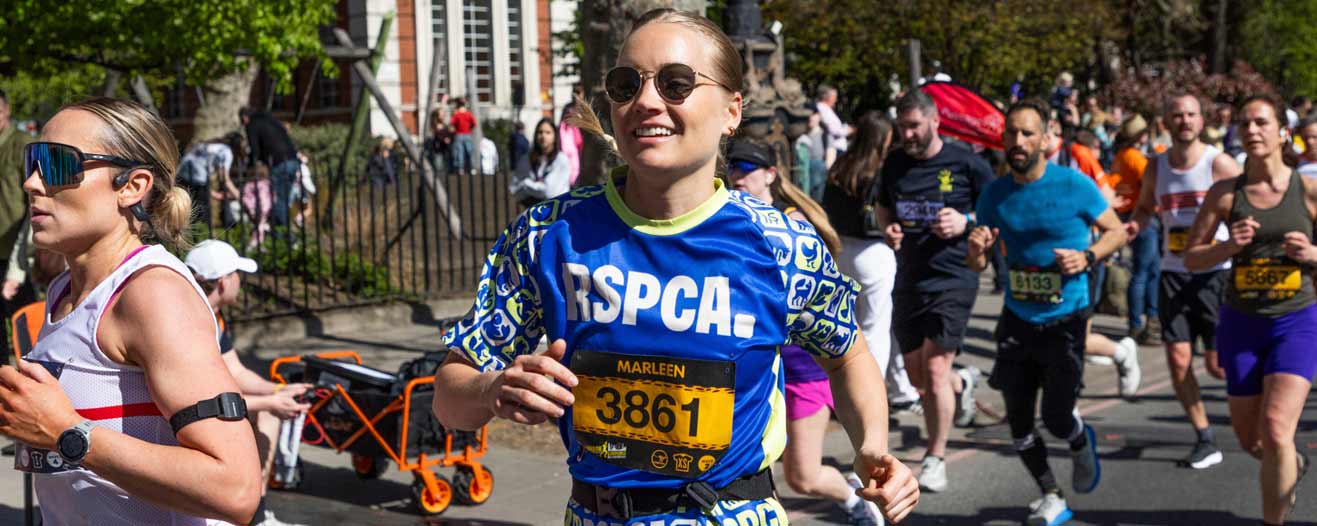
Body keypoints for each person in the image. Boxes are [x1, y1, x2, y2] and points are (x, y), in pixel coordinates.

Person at [430, 9, 919, 525]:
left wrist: (873, 449)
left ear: (732, 110)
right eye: (626, 84)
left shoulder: (783, 246)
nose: (645, 101)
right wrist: (492, 389)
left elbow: (846, 356)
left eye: (676, 83)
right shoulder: (546, 235)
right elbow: (449, 396)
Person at [1, 97, 262, 525]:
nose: (32, 182)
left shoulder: (152, 294)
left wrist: (68, 435)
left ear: (132, 185)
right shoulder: (65, 290)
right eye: (32, 161)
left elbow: (236, 488)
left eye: (58, 164)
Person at [968, 99, 1125, 525]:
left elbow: (1117, 231)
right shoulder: (995, 194)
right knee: (1018, 422)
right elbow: (977, 263)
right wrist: (976, 251)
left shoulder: (1074, 185)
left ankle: (1078, 440)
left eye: (1026, 133)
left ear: (1045, 137)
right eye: (1011, 134)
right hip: (1017, 319)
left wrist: (1088, 257)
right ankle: (1051, 494)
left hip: (1066, 320)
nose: (1017, 142)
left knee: (1056, 418)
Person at [724, 139, 882, 526]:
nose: (739, 176)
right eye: (734, 168)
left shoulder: (792, 226)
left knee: (803, 476)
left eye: (749, 169)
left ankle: (853, 500)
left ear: (771, 175)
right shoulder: (727, 221)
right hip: (755, 367)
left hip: (802, 365)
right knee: (748, 475)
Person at [1183, 94, 1315, 526]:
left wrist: (1312, 253)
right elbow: (1192, 257)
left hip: (1297, 321)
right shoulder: (1225, 194)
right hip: (1241, 323)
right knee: (1252, 440)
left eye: (1261, 123)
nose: (1252, 131)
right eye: (1245, 124)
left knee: (1276, 427)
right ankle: (1289, 462)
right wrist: (1228, 245)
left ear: (1282, 132)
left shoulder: (1309, 190)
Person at [876, 89, 990, 493]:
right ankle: (963, 385)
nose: (907, 134)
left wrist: (966, 220)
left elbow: (994, 210)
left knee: (936, 369)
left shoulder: (966, 163)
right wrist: (887, 227)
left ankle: (935, 456)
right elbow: (883, 206)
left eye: (914, 126)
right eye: (902, 126)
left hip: (955, 276)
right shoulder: (894, 164)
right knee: (918, 374)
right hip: (909, 278)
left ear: (935, 121)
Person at [1128, 93, 1239, 471]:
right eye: (1177, 115)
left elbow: (1245, 207)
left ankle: (1262, 401)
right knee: (1177, 361)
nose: (1185, 121)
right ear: (1166, 122)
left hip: (1215, 275)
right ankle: (1204, 437)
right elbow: (1145, 207)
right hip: (1173, 274)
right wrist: (1134, 224)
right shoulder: (1156, 167)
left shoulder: (1218, 163)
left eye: (1191, 115)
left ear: (1201, 120)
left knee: (1218, 367)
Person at [185, 239, 311, 526]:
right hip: (190, 412)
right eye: (237, 274)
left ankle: (256, 514)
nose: (240, 281)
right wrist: (270, 401)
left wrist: (278, 390)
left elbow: (236, 372)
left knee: (268, 413)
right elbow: (205, 397)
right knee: (267, 412)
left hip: (202, 406)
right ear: (223, 282)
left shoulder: (213, 316)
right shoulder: (193, 319)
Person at [821, 110, 921, 415]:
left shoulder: (841, 166)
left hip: (842, 250)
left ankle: (897, 388)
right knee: (875, 328)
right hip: (874, 252)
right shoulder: (881, 169)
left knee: (852, 327)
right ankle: (868, 400)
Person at [1048, 118, 1141, 396]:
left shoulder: (1077, 154)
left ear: (1050, 128)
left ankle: (1121, 353)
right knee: (1055, 333)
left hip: (1082, 256)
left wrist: (1097, 240)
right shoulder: (1028, 164)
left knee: (1076, 337)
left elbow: (1106, 195)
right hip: (1046, 259)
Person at [1110, 115, 1160, 344]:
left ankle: (1149, 319)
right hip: (1142, 216)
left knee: (1150, 270)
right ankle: (1138, 324)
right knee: (1142, 272)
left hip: (1127, 214)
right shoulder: (1136, 158)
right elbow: (1153, 184)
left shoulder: (1120, 156)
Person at [0, 89, 35, 364]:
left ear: (7, 110)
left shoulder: (23, 144)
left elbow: (35, 199)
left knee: (23, 321)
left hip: (15, 251)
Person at [240, 108, 299, 233]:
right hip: (293, 160)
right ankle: (285, 231)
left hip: (278, 163)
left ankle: (284, 235)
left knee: (277, 200)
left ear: (245, 118)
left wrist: (248, 169)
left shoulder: (252, 125)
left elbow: (254, 150)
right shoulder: (271, 120)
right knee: (284, 199)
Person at [177, 135, 238, 229]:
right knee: (203, 212)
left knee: (188, 206)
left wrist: (213, 193)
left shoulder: (211, 144)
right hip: (197, 176)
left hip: (183, 173)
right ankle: (202, 232)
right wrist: (239, 196)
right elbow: (225, 178)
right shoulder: (226, 151)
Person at [510, 118, 571, 208]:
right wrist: (538, 187)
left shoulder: (561, 159)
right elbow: (514, 190)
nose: (543, 136)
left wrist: (526, 183)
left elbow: (550, 192)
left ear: (555, 136)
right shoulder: (526, 159)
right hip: (534, 213)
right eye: (540, 132)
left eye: (548, 132)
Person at [817, 84, 852, 164]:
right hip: (835, 148)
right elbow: (834, 130)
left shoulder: (827, 109)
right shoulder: (822, 109)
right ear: (826, 97)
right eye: (834, 97)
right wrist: (848, 130)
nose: (836, 100)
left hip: (838, 147)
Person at [560, 85, 585, 186]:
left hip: (583, 143)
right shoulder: (568, 107)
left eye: (579, 92)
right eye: (575, 92)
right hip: (571, 144)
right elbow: (562, 124)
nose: (576, 95)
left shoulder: (585, 108)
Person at [450, 97, 478, 176]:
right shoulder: (467, 114)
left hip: (460, 134)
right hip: (465, 134)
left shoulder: (457, 114)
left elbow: (452, 125)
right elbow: (474, 124)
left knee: (461, 152)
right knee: (468, 151)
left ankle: (462, 168)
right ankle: (470, 168)